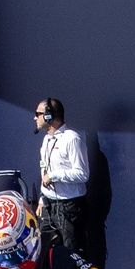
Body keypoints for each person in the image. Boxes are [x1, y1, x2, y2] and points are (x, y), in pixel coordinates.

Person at [34, 97, 89, 251]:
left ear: (49, 116)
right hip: (48, 205)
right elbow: (44, 169)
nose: (35, 117)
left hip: (69, 207)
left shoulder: (72, 139)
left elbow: (83, 174)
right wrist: (42, 198)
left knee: (70, 252)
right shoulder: (46, 140)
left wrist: (54, 176)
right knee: (45, 251)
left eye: (38, 114)